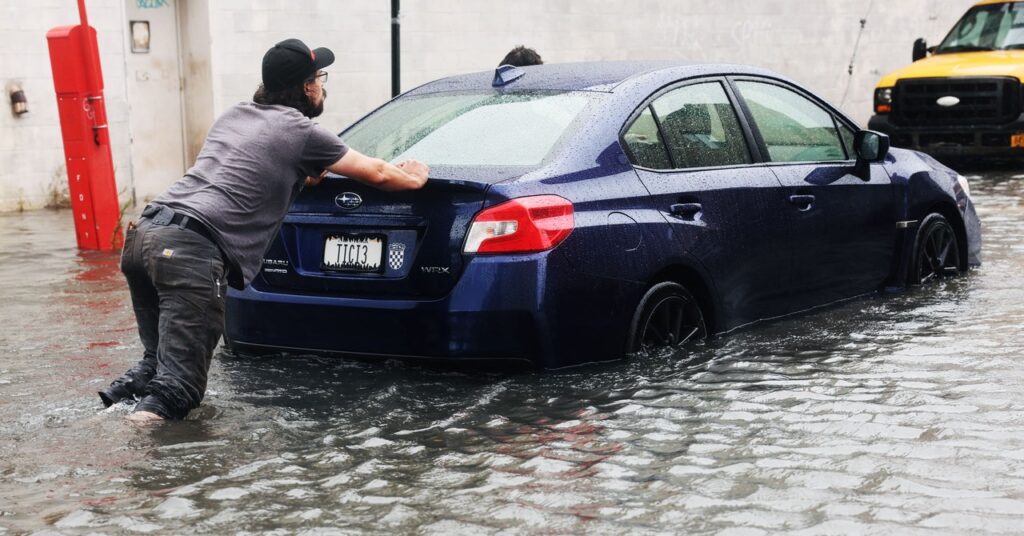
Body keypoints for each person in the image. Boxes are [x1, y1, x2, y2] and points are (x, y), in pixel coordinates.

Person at [99, 38, 429, 422]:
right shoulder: (304, 132)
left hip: (146, 233)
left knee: (153, 368)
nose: (323, 84)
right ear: (307, 86)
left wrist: (303, 175)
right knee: (176, 391)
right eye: (320, 77)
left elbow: (244, 171)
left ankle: (98, 425)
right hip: (190, 251)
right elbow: (378, 173)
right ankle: (129, 461)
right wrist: (416, 177)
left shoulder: (235, 115)